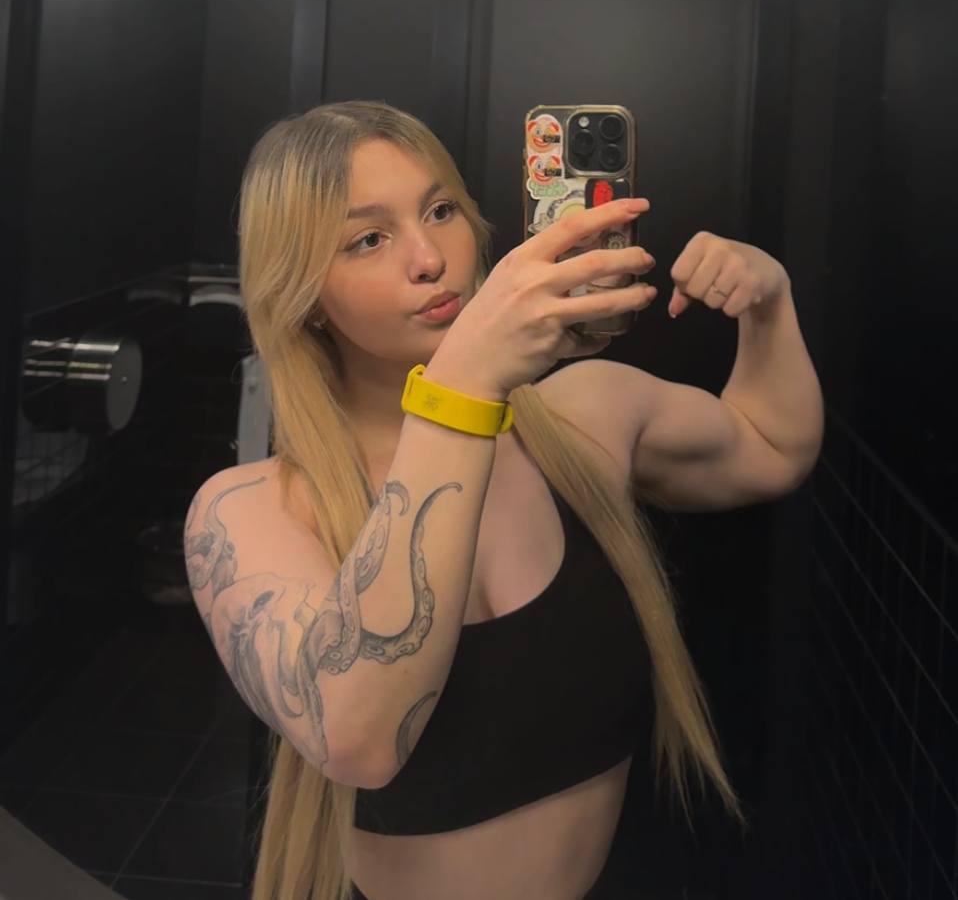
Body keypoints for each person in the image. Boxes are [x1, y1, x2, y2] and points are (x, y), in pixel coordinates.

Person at [184, 99, 823, 900]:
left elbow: (771, 447)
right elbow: (360, 739)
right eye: (368, 239)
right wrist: (460, 389)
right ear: (305, 292)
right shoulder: (250, 512)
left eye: (440, 210)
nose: (429, 258)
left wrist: (769, 304)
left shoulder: (584, 419)